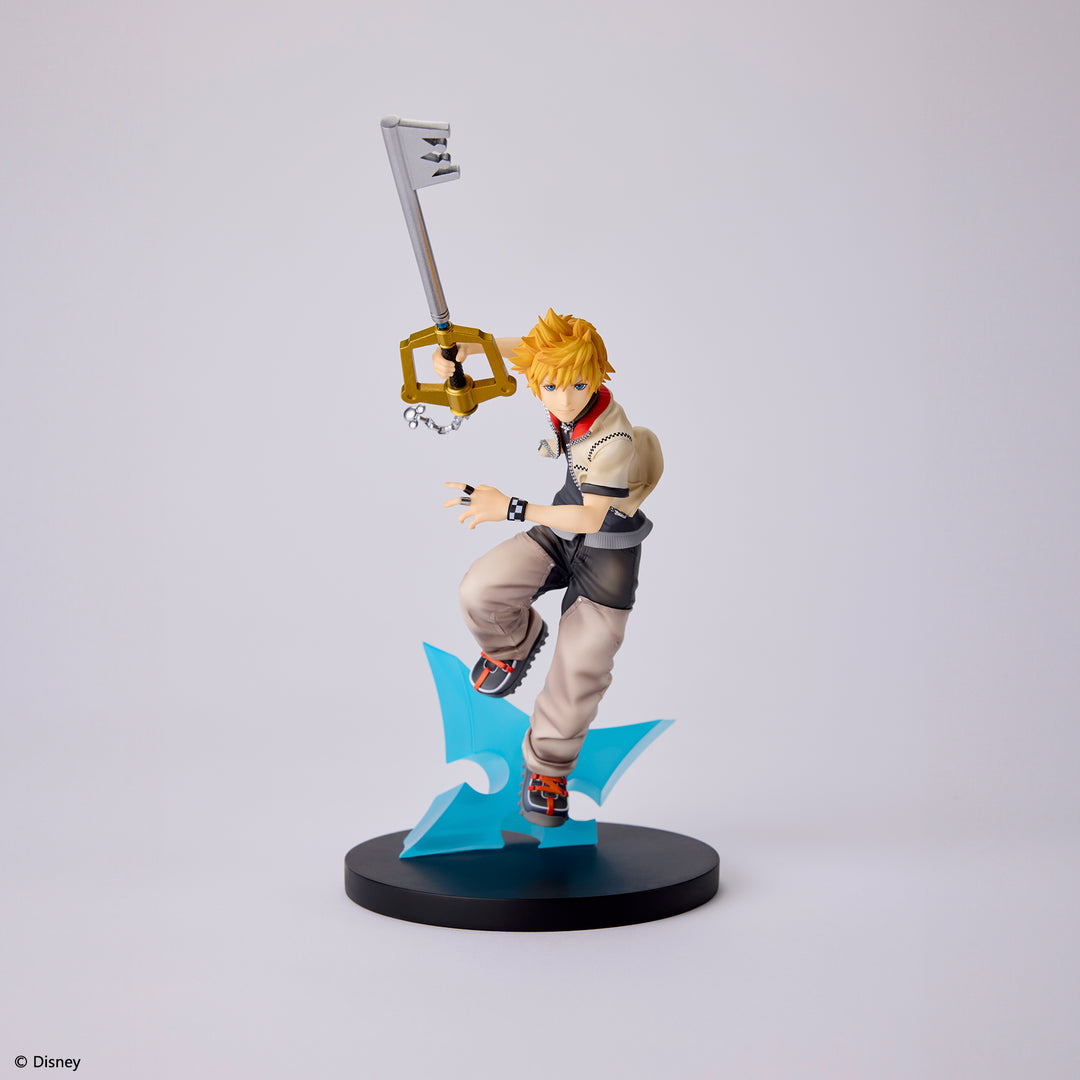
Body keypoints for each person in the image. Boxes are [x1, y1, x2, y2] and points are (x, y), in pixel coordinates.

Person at [439, 310, 662, 827]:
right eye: (550, 386)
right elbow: (530, 350)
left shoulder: (613, 439)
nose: (562, 399)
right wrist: (467, 349)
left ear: (596, 375)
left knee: (582, 666)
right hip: (560, 534)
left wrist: (510, 507)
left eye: (577, 385)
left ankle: (548, 770)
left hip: (607, 551)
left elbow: (591, 517)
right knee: (481, 589)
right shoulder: (557, 379)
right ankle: (511, 645)